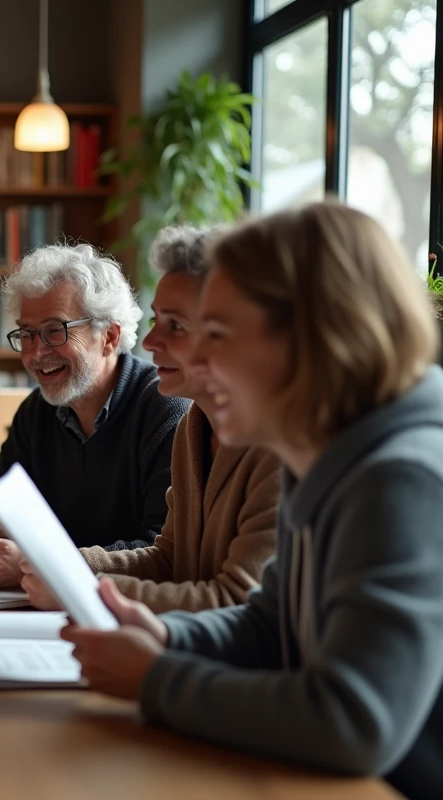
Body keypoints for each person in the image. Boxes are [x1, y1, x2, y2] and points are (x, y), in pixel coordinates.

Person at [61, 202, 443, 800]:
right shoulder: (317, 445)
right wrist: (169, 641)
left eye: (218, 333)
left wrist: (158, 679)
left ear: (315, 335)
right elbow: (271, 625)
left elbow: (356, 720)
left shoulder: (404, 476)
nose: (200, 361)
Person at [21, 227, 280, 613]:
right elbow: (168, 558)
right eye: (157, 320)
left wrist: (81, 590)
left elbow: (236, 603)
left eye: (174, 325)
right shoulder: (195, 425)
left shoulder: (281, 447)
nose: (150, 341)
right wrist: (62, 567)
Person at [0, 243, 189, 588]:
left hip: (121, 617)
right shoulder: (36, 411)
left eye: (54, 330)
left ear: (109, 336)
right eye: (26, 333)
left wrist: (39, 564)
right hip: (39, 606)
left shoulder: (166, 409)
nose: (36, 353)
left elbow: (163, 552)